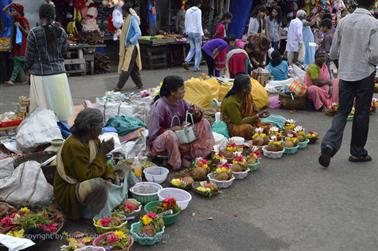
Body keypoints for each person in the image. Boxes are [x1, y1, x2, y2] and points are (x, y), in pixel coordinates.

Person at [319, 0, 378, 168]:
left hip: (346, 74)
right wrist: (370, 63)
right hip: (365, 73)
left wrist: (343, 64)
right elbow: (375, 54)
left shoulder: (344, 21)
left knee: (342, 111)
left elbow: (334, 52)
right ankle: (357, 151)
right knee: (361, 113)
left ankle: (329, 145)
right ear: (373, 4)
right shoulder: (374, 23)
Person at [54, 108, 115, 220]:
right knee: (99, 185)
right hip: (69, 190)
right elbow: (86, 176)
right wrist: (102, 154)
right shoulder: (74, 145)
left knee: (124, 166)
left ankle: (105, 200)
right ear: (91, 128)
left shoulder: (93, 139)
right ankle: (88, 214)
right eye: (100, 126)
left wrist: (109, 177)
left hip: (89, 176)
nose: (101, 129)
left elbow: (103, 161)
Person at [147, 76, 214, 170]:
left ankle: (200, 154)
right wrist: (170, 129)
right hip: (159, 144)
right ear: (172, 92)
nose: (184, 91)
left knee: (204, 122)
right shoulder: (159, 107)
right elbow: (152, 133)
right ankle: (176, 164)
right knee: (170, 135)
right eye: (182, 89)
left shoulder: (181, 102)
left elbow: (193, 118)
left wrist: (196, 113)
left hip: (180, 137)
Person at [24, 3, 73, 122]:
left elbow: (29, 57)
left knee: (42, 116)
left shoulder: (34, 33)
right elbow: (64, 51)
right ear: (54, 15)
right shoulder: (61, 32)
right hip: (59, 75)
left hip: (40, 76)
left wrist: (26, 69)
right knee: (61, 115)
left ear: (40, 16)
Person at [221, 74, 265, 139]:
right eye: (249, 84)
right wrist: (256, 116)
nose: (251, 86)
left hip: (247, 120)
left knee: (267, 126)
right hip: (234, 125)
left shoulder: (247, 95)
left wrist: (258, 115)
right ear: (244, 89)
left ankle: (257, 131)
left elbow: (253, 110)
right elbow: (238, 122)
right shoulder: (231, 102)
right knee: (248, 129)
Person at [114, 3, 143, 91]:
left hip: (132, 46)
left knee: (126, 67)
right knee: (132, 68)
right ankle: (139, 84)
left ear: (125, 11)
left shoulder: (132, 19)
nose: (121, 12)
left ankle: (119, 86)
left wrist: (130, 40)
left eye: (122, 10)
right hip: (129, 46)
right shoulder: (127, 19)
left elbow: (138, 33)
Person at [2, 3, 30, 86]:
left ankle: (12, 80)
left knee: (19, 61)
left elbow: (27, 32)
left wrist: (20, 26)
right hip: (17, 44)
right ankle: (27, 79)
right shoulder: (16, 18)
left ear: (18, 11)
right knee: (20, 62)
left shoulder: (23, 20)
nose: (12, 12)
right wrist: (11, 4)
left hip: (22, 44)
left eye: (14, 10)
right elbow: (4, 10)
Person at [183, 1, 203, 72]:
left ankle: (186, 61)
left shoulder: (188, 11)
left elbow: (185, 22)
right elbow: (199, 23)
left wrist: (186, 31)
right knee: (198, 50)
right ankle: (196, 67)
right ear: (199, 4)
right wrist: (201, 33)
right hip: (197, 32)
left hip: (189, 32)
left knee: (192, 48)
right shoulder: (198, 11)